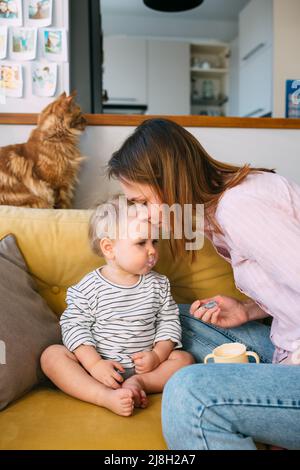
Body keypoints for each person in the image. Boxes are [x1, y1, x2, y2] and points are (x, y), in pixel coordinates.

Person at [107, 118, 300, 449]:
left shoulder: (240, 208)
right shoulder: (219, 209)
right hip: (287, 340)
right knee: (175, 318)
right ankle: (105, 372)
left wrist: (287, 369)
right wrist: (248, 310)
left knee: (189, 392)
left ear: (169, 180)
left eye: (141, 201)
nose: (144, 215)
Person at [40, 197, 194, 417]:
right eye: (141, 243)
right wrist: (94, 364)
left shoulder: (158, 284)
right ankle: (103, 395)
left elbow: (169, 323)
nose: (152, 251)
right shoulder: (89, 287)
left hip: (145, 367)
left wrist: (158, 356)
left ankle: (139, 384)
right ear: (109, 248)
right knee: (52, 356)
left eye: (154, 242)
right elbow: (74, 325)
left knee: (184, 360)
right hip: (99, 368)